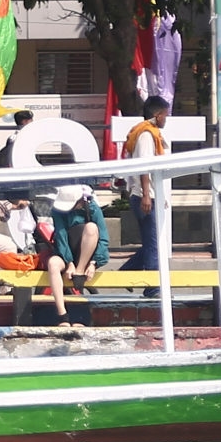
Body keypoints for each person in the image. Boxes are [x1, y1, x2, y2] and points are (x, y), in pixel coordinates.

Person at [34, 180, 109, 315]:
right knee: (53, 263)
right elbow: (61, 236)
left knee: (91, 227)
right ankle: (62, 313)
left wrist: (93, 263)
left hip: (86, 256)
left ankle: (80, 271)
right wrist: (69, 262)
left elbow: (103, 238)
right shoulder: (58, 212)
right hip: (66, 253)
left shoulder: (93, 209)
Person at [119, 96, 172, 273]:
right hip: (144, 196)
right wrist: (147, 195)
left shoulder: (152, 134)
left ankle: (126, 272)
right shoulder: (147, 135)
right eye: (165, 114)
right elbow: (145, 166)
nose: (166, 118)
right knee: (153, 243)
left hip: (150, 195)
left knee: (153, 242)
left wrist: (159, 195)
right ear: (157, 115)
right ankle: (153, 288)